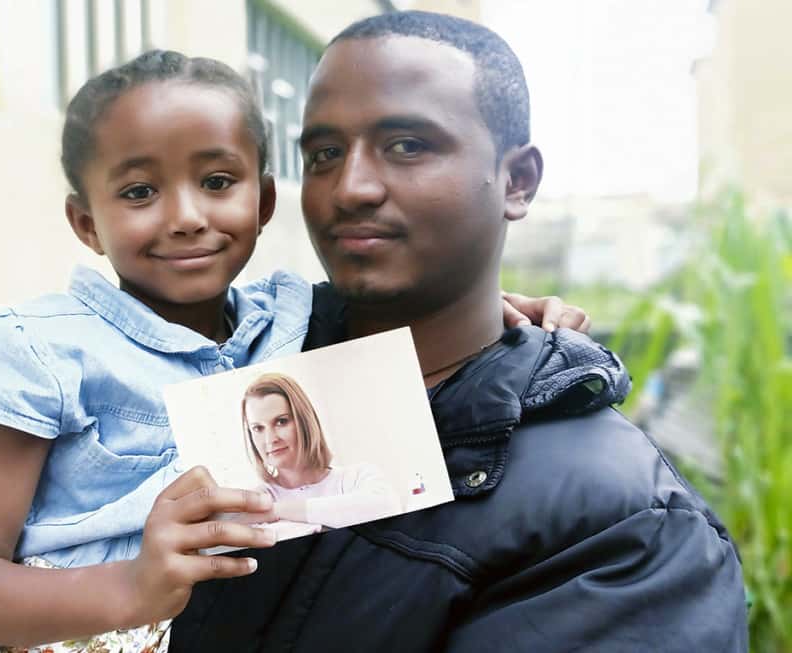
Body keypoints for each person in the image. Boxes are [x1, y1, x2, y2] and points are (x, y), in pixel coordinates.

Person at [0, 49, 585, 653]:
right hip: (46, 626)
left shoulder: (290, 317)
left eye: (218, 181)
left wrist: (508, 311)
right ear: (85, 222)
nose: (187, 217)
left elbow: (419, 318)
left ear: (264, 203)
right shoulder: (42, 352)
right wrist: (135, 585)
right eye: (139, 192)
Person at [171, 11, 748, 652]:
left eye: (408, 146)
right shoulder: (225, 369)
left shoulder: (627, 527)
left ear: (518, 180)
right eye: (325, 153)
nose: (350, 187)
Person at [240, 372, 402, 538]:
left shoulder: (358, 476)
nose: (270, 439)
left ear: (304, 421)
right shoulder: (252, 502)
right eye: (258, 428)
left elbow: (388, 508)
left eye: (281, 421)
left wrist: (275, 511)